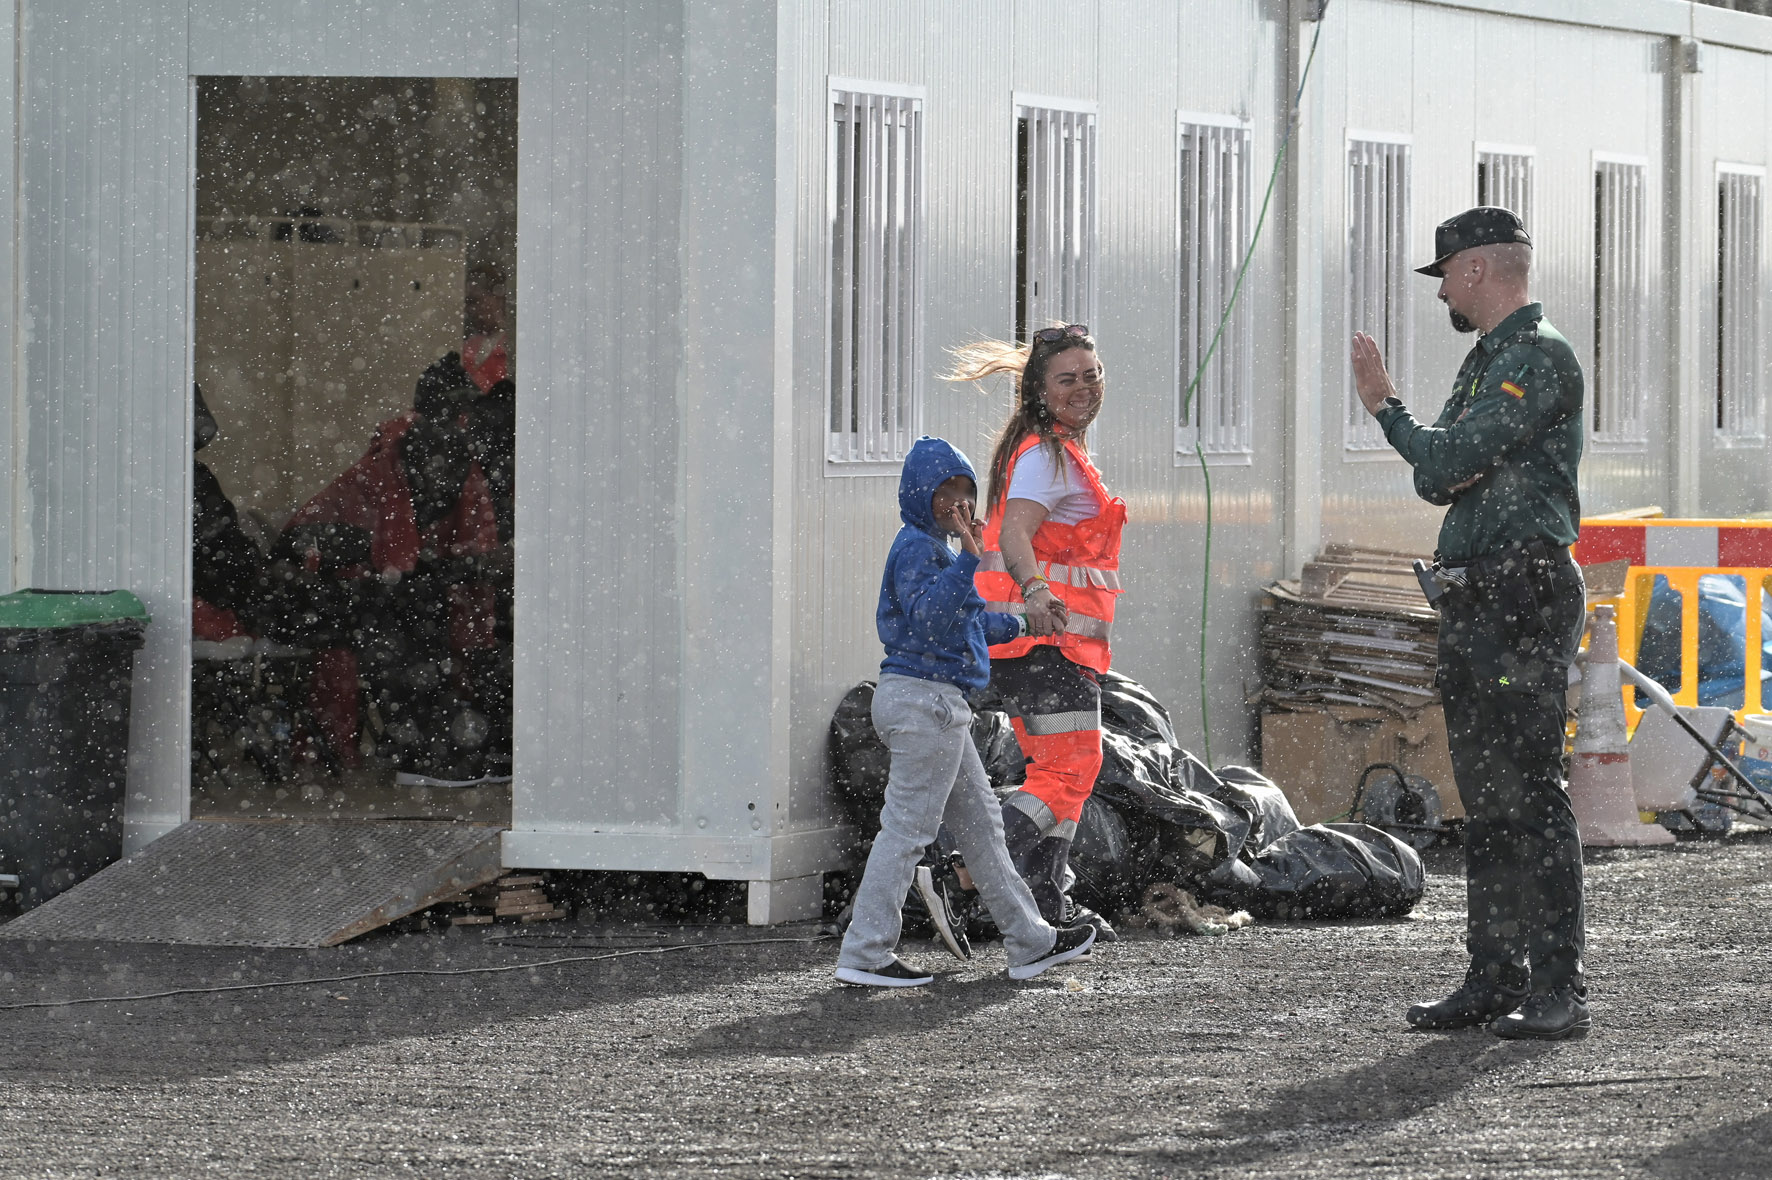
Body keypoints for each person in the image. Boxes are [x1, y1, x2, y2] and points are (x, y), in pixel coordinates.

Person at [1351, 206, 1589, 1041]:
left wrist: (1388, 409)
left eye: (1448, 272)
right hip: (1482, 592)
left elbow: (1446, 462)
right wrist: (1423, 442)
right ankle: (1495, 976)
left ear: (1480, 270)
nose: (1444, 288)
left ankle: (1558, 986)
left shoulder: (1536, 356)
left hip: (1523, 592)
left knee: (1531, 793)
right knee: (1488, 800)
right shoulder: (1491, 360)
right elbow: (1439, 482)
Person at [835, 436, 1098, 988]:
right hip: (925, 703)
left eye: (966, 493)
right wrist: (972, 560)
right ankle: (864, 953)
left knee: (981, 832)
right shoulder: (918, 549)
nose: (958, 505)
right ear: (919, 498)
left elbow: (968, 628)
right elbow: (933, 619)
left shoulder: (935, 550)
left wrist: (1029, 622)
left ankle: (1030, 943)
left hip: (932, 704)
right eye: (945, 494)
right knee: (906, 832)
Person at [944, 324, 1127, 942]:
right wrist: (1038, 594)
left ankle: (1047, 900)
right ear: (1040, 391)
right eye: (1068, 380)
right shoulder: (1046, 457)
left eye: (1092, 375)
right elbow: (1017, 534)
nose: (1084, 389)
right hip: (1043, 640)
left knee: (1064, 771)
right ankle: (959, 875)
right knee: (1070, 771)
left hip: (1050, 643)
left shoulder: (1051, 450)